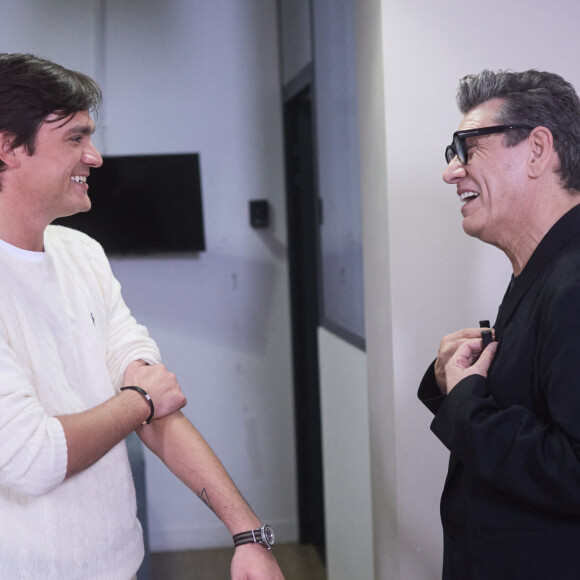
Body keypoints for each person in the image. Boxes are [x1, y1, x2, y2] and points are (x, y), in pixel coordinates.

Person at [0, 53, 284, 580]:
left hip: (120, 563)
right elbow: (34, 457)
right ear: (9, 147)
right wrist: (140, 402)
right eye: (75, 139)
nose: (96, 156)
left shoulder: (82, 253)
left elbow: (158, 404)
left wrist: (246, 534)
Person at [418, 69, 580, 580]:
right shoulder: (540, 268)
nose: (452, 172)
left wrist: (466, 402)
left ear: (537, 149)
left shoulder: (574, 282)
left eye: (468, 147)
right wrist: (455, 380)